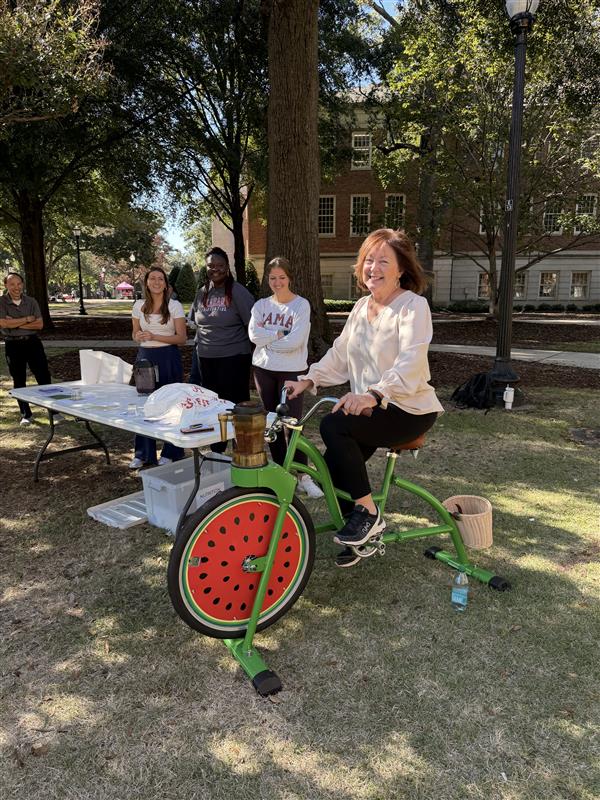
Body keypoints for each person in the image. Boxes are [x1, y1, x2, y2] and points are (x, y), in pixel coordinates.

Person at [285, 228, 444, 567]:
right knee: (334, 467)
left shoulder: (413, 307)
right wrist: (308, 379)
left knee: (333, 426)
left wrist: (374, 393)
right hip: (371, 407)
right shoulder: (360, 307)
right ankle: (358, 534)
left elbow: (411, 361)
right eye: (368, 260)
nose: (374, 267)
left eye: (383, 261)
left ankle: (369, 515)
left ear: (400, 268)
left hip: (407, 407)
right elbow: (340, 355)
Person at [249, 257, 323, 498]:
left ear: (289, 278)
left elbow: (296, 341)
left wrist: (268, 338)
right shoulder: (260, 305)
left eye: (282, 277)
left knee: (292, 423)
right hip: (264, 369)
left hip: (292, 370)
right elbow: (253, 335)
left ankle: (304, 476)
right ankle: (283, 474)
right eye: (272, 278)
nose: (277, 282)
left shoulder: (301, 305)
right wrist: (280, 333)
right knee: (272, 423)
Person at [188, 246, 255, 453]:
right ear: (205, 267)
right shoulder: (202, 293)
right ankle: (217, 450)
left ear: (227, 267)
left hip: (234, 358)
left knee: (235, 407)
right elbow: (196, 324)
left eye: (219, 265)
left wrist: (252, 361)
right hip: (206, 359)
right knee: (213, 407)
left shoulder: (238, 292)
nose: (215, 269)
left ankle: (241, 451)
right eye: (211, 265)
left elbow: (252, 327)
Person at [130, 267, 187, 469]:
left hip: (168, 357)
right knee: (144, 405)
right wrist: (139, 336)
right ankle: (143, 453)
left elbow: (181, 338)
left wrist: (155, 336)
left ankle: (172, 451)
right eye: (152, 278)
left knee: (171, 404)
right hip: (145, 358)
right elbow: (134, 334)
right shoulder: (138, 306)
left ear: (165, 283)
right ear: (146, 282)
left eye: (160, 279)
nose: (156, 282)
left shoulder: (174, 306)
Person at [0, 273, 52, 425]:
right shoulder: (1, 302)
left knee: (43, 376)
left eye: (19, 284)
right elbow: (3, 324)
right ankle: (26, 414)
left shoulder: (31, 301)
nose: (16, 287)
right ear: (6, 286)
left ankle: (53, 412)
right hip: (13, 344)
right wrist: (27, 319)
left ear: (22, 284)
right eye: (12, 284)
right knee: (19, 379)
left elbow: (39, 325)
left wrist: (14, 323)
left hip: (33, 343)